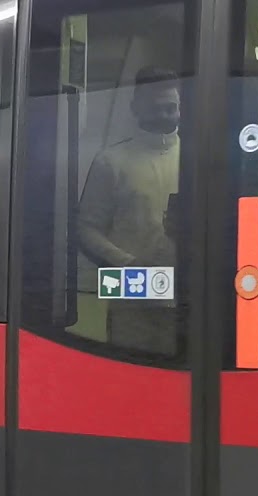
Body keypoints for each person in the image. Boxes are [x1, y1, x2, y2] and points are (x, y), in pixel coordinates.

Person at [75, 65, 182, 354]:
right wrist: (127, 263)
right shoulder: (110, 161)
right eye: (155, 108)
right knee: (130, 369)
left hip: (186, 292)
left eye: (171, 108)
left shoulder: (197, 158)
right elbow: (86, 229)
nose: (164, 115)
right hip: (130, 290)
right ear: (136, 108)